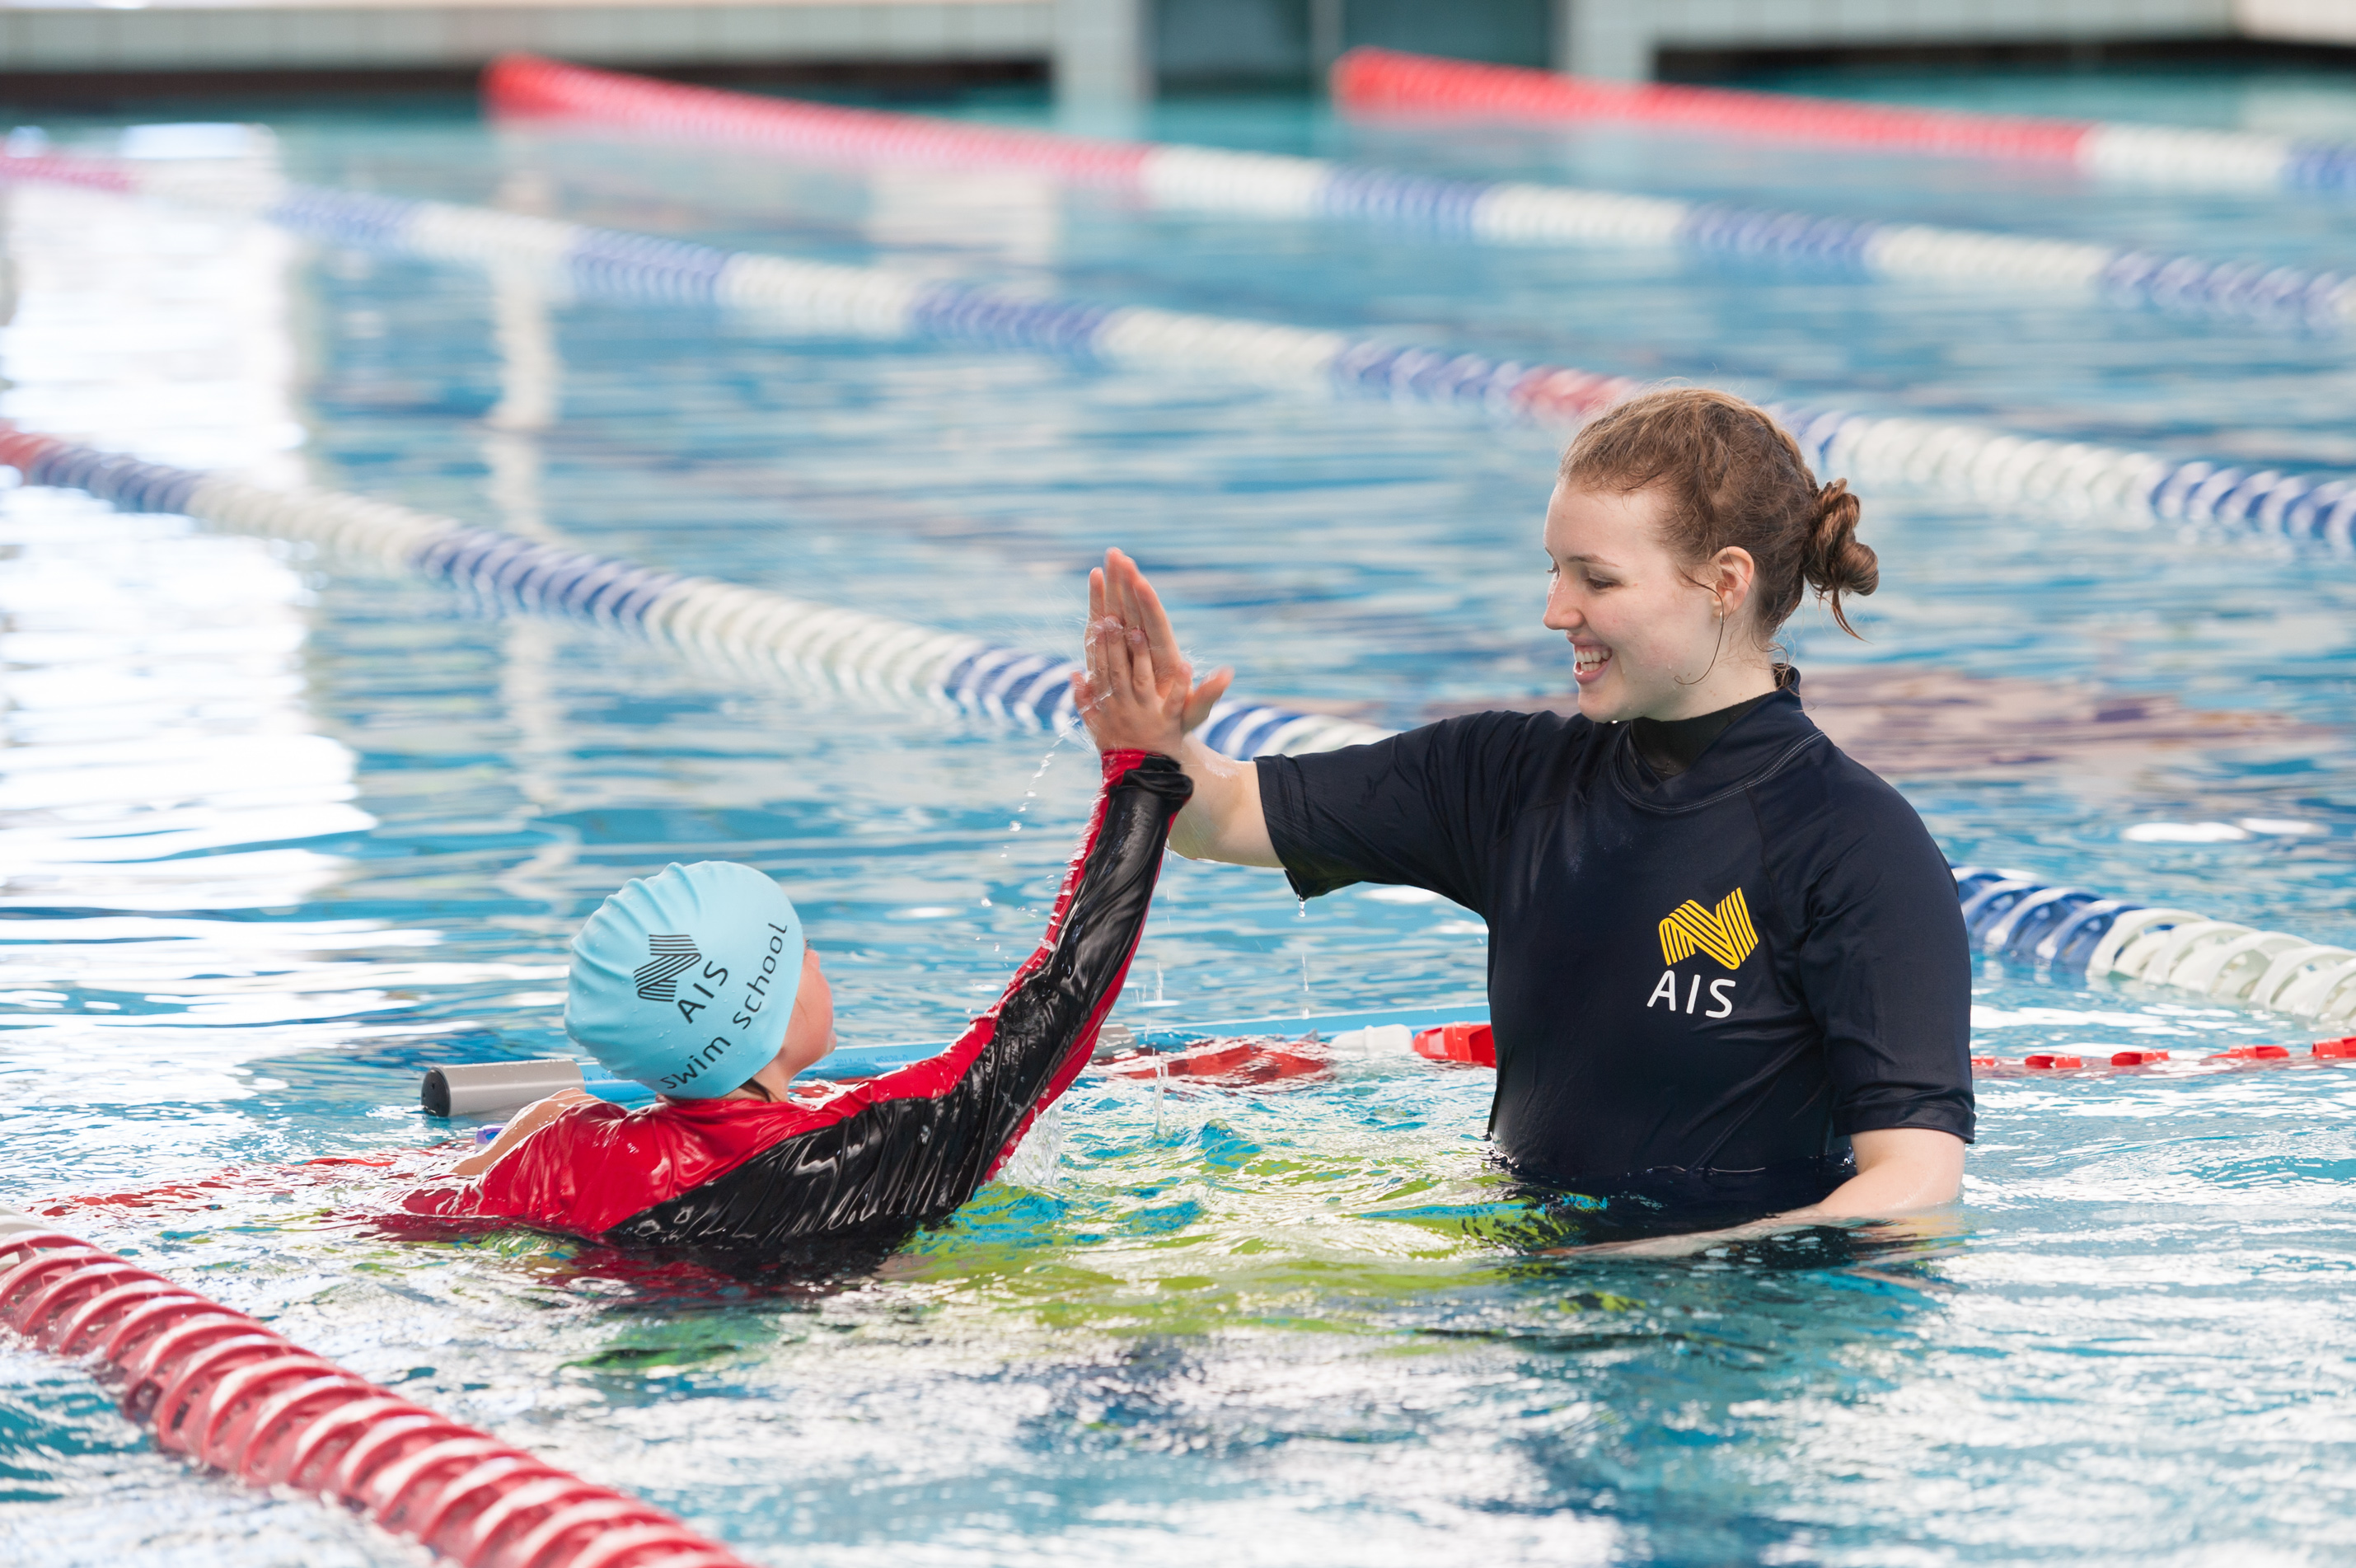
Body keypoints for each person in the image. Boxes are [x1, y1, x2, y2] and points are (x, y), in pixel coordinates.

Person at [1078, 386, 1972, 1249]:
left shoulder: (1857, 846)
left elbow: (1913, 1188)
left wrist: (1650, 1265)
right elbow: (1220, 818)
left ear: (1725, 582)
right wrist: (1159, 750)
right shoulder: (1508, 777)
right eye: (1554, 570)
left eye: (1598, 579)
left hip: (1734, 1328)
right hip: (1530, 1283)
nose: (1556, 612)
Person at [396, 634, 1197, 1257]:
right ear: (766, 1018)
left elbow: (422, 1208)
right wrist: (1142, 770)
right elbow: (1063, 993)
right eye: (800, 952)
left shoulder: (561, 1142)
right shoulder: (874, 1144)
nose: (819, 962)